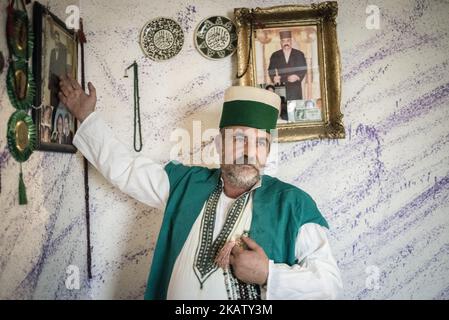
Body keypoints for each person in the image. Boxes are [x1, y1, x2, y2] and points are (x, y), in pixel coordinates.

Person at [58, 74, 342, 300]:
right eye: (239, 138)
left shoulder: (293, 203)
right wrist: (88, 118)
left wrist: (269, 274)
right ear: (219, 145)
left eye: (260, 142)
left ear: (268, 152)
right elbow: (127, 171)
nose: (249, 151)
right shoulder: (184, 183)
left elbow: (329, 286)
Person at [268, 30, 307, 101]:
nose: (286, 43)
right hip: (280, 87)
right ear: (281, 42)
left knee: (294, 109)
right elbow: (271, 70)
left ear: (291, 41)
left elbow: (303, 69)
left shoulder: (299, 54)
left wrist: (297, 76)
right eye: (283, 41)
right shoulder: (275, 55)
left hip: (294, 88)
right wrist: (274, 78)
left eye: (288, 40)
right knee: (282, 108)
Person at [48, 31, 68, 108]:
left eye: (57, 38)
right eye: (55, 39)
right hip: (53, 79)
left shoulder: (63, 51)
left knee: (59, 101)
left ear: (59, 39)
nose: (56, 40)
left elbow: (64, 66)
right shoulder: (52, 51)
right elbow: (50, 66)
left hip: (59, 79)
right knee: (52, 102)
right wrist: (49, 81)